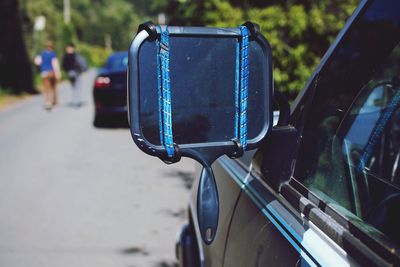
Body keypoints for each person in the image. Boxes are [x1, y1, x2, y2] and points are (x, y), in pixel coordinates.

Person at [34, 41, 61, 110]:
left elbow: (37, 62)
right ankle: (53, 101)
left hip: (44, 73)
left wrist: (40, 67)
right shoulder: (52, 54)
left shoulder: (42, 54)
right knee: (52, 87)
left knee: (46, 88)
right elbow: (55, 64)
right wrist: (58, 74)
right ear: (51, 47)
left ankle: (47, 101)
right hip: (51, 72)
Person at [62, 43, 87, 107]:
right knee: (76, 87)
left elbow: (64, 66)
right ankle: (76, 101)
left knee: (75, 87)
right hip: (73, 73)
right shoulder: (74, 56)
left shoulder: (68, 56)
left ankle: (76, 101)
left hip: (75, 73)